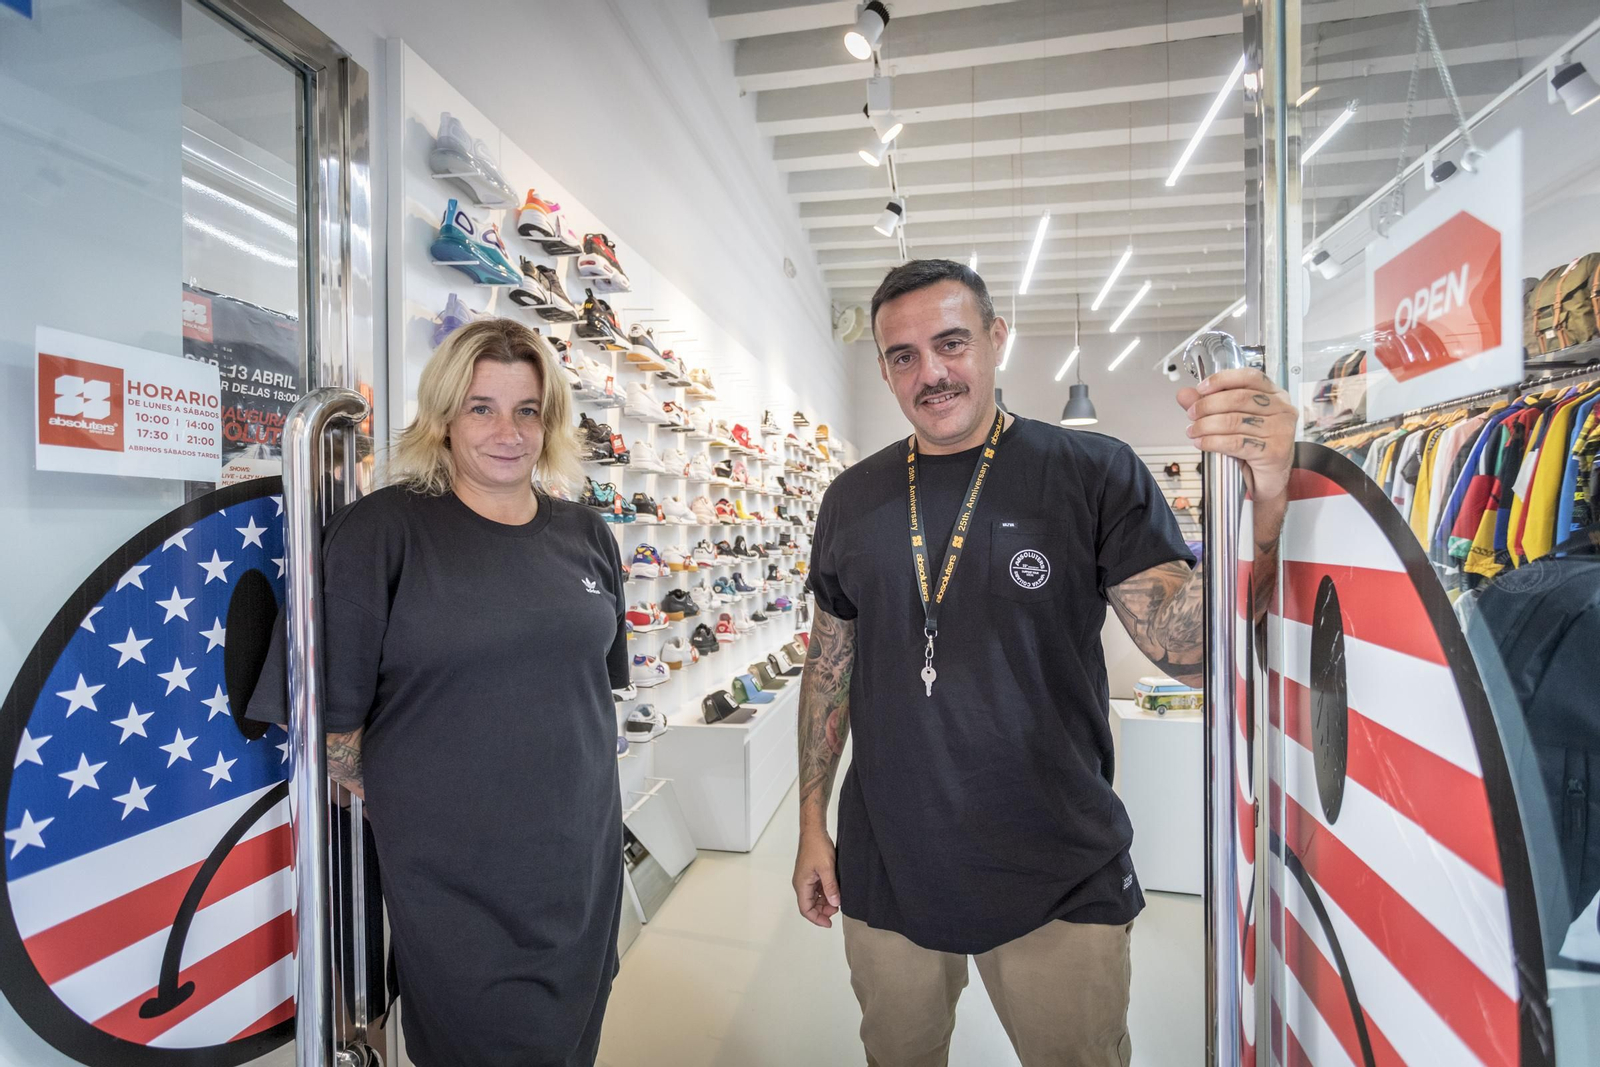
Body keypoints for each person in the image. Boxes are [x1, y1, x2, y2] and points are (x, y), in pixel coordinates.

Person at [791, 260, 1294, 1067]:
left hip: (1059, 865)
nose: (932, 373)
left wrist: (1266, 500)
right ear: (883, 367)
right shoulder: (852, 498)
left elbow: (1190, 650)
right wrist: (813, 824)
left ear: (996, 338)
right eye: (904, 355)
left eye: (951, 342)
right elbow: (828, 664)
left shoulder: (1092, 472)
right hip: (889, 862)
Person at [250, 318, 629, 1066]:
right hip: (459, 887)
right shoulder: (383, 532)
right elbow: (328, 723)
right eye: (481, 407)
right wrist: (417, 800)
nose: (507, 431)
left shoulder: (587, 535)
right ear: (443, 415)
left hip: (581, 864)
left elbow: (591, 687)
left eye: (527, 409)